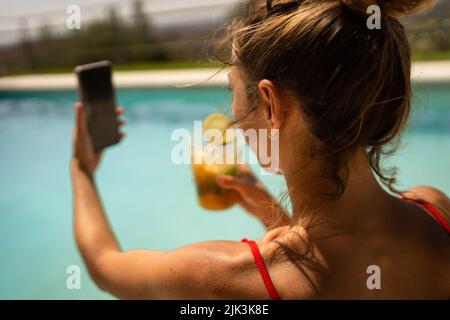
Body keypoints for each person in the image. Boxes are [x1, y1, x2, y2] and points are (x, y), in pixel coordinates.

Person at [70, 0, 449, 299]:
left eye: (234, 90)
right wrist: (270, 212)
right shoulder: (436, 211)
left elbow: (105, 267)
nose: (233, 114)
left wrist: (81, 168)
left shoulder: (226, 278)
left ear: (270, 103)